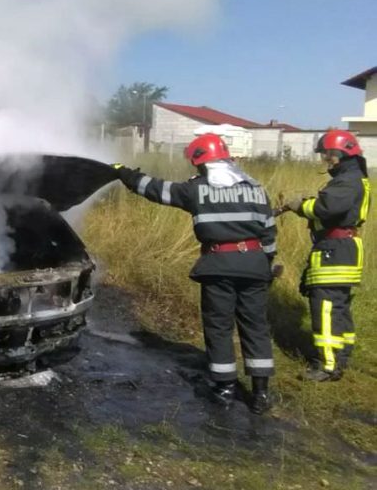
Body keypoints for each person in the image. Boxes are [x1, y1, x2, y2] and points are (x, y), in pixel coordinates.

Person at [113, 133, 277, 414]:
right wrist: (267, 263)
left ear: (202, 163)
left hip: (219, 266)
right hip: (255, 265)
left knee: (219, 327)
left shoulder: (197, 189)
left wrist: (125, 175)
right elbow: (269, 233)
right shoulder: (256, 189)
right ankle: (261, 394)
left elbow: (157, 190)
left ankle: (224, 389)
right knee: (256, 326)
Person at [281, 130, 370, 381]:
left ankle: (327, 366)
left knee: (327, 308)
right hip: (343, 248)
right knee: (339, 308)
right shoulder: (352, 177)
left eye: (327, 155)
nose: (325, 160)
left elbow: (326, 207)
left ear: (340, 154)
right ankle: (340, 357)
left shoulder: (347, 180)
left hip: (335, 251)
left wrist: (301, 205)